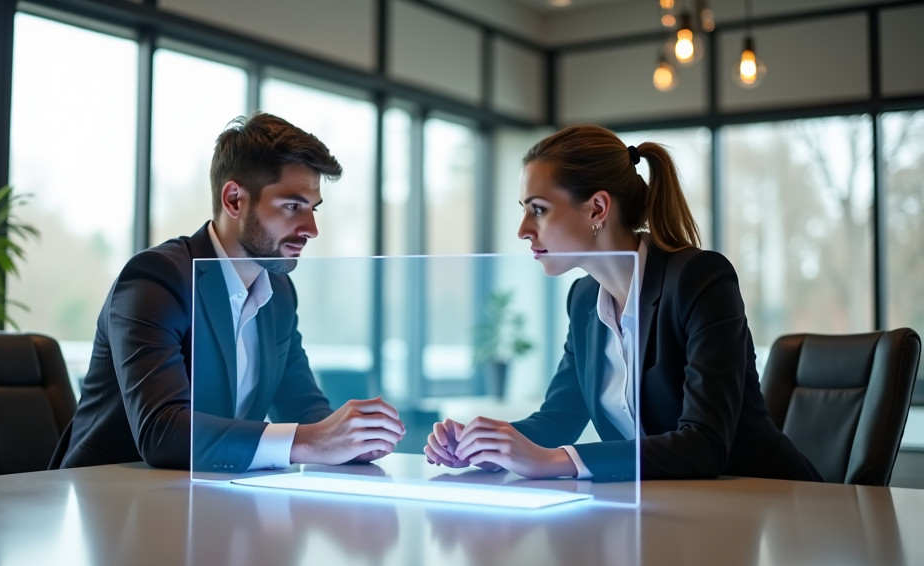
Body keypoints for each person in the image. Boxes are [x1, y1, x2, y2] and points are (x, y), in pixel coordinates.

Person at [423, 124, 821, 483]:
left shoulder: (700, 279)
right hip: (666, 515)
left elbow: (704, 445)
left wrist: (557, 461)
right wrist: (486, 445)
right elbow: (557, 420)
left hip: (772, 507)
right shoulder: (583, 301)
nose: (523, 230)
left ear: (597, 208)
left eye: (538, 209)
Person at [52, 112, 405, 473]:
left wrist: (356, 439)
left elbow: (302, 409)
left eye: (312, 209)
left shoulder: (278, 292)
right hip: (109, 500)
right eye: (292, 206)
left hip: (207, 499)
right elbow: (163, 432)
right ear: (235, 200)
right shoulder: (156, 279)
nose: (311, 229)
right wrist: (312, 441)